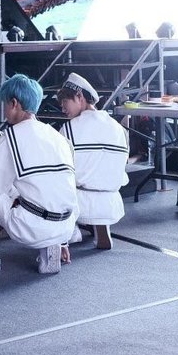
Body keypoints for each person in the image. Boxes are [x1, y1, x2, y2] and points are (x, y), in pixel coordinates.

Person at [0, 74, 78, 274]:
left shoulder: (13, 136)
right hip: (67, 224)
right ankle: (54, 244)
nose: (4, 110)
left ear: (14, 103)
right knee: (33, 188)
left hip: (31, 227)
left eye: (5, 104)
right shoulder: (57, 136)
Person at [57, 72, 129, 249]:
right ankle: (102, 230)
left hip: (79, 202)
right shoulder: (118, 128)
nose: (63, 109)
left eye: (65, 102)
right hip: (111, 201)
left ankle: (69, 231)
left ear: (79, 96)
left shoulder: (69, 129)